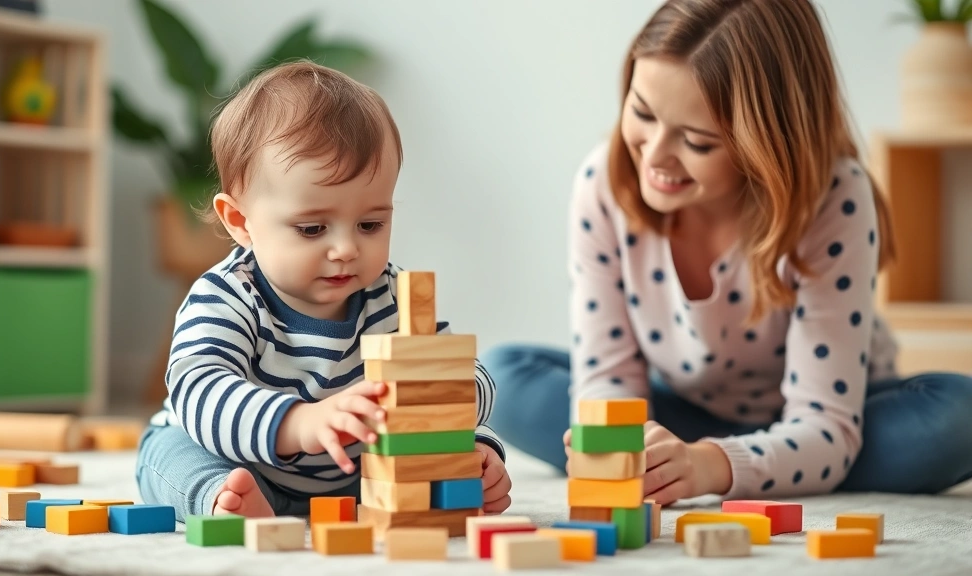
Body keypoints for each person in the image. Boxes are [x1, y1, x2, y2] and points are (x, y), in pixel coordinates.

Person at [484, 0, 972, 505]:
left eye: (697, 142)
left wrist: (710, 466)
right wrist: (618, 450)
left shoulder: (835, 197)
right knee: (500, 376)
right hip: (675, 409)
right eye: (642, 113)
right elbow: (608, 377)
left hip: (830, 414)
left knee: (958, 417)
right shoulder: (602, 185)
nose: (654, 157)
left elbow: (825, 416)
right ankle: (777, 468)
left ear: (768, 143)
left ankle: (793, 464)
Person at [136, 61, 511, 520]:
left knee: (447, 438)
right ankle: (220, 500)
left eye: (371, 224)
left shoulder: (391, 295)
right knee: (172, 452)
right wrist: (298, 422)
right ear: (240, 222)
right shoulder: (227, 296)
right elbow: (200, 390)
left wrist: (462, 433)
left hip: (352, 479)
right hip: (240, 460)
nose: (347, 249)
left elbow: (469, 374)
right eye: (313, 228)